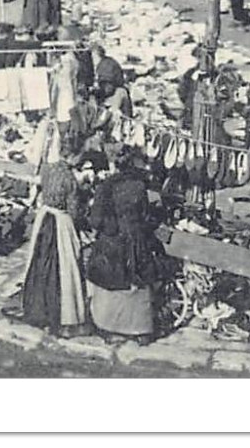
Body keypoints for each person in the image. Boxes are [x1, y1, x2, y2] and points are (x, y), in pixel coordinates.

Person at [84, 147, 162, 344]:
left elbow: (96, 219)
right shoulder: (139, 186)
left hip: (112, 241)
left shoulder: (106, 186)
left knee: (112, 283)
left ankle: (110, 328)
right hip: (135, 240)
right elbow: (144, 216)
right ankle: (140, 330)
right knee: (137, 283)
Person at [15, 149, 89, 337]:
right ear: (73, 156)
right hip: (61, 222)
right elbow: (73, 211)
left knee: (40, 264)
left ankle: (37, 309)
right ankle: (64, 316)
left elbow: (41, 189)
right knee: (64, 269)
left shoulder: (47, 169)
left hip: (44, 218)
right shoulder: (70, 179)